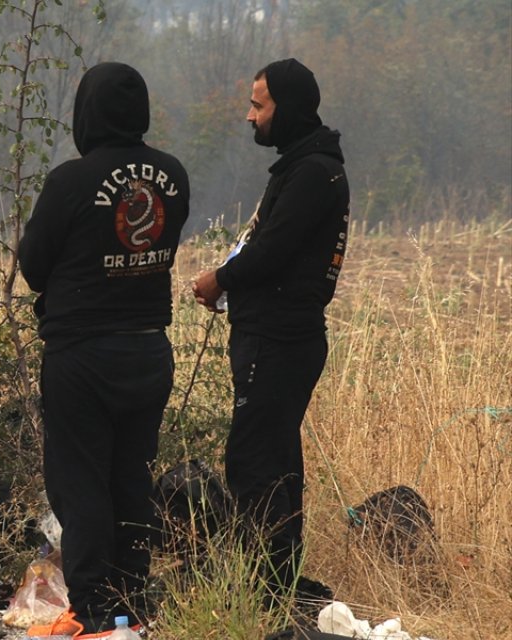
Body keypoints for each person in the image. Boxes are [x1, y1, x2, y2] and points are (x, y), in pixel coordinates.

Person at [19, 62, 189, 638]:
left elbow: (34, 266)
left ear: (85, 111)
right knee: (131, 477)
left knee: (81, 478)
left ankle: (91, 609)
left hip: (82, 353)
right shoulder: (173, 174)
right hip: (148, 349)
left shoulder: (70, 180)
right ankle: (130, 601)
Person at [192, 58, 348, 598]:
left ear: (288, 108)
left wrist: (220, 279)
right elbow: (270, 247)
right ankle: (277, 579)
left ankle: (259, 587)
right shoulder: (307, 165)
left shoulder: (310, 173)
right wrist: (234, 284)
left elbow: (274, 251)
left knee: (255, 460)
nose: (250, 116)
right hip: (283, 334)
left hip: (279, 338)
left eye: (259, 105)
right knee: (276, 457)